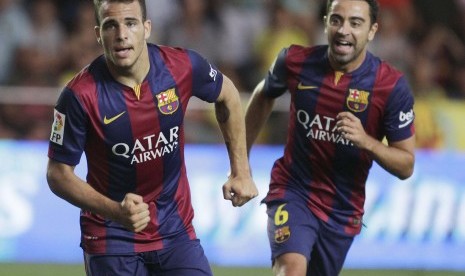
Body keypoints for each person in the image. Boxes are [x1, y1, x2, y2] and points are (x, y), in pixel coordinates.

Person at [46, 0, 258, 275]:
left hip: (175, 232)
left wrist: (240, 170)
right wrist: (115, 211)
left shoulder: (181, 66)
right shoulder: (78, 96)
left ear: (146, 28)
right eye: (111, 25)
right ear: (98, 34)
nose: (121, 34)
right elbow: (58, 174)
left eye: (130, 23)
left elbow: (227, 94)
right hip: (112, 239)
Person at [245, 0, 415, 275]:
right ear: (325, 23)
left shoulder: (391, 87)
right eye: (336, 20)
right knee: (291, 268)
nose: (343, 30)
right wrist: (241, 162)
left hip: (342, 210)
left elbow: (406, 164)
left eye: (355, 23)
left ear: (372, 31)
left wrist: (366, 141)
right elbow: (263, 94)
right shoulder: (295, 61)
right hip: (293, 189)